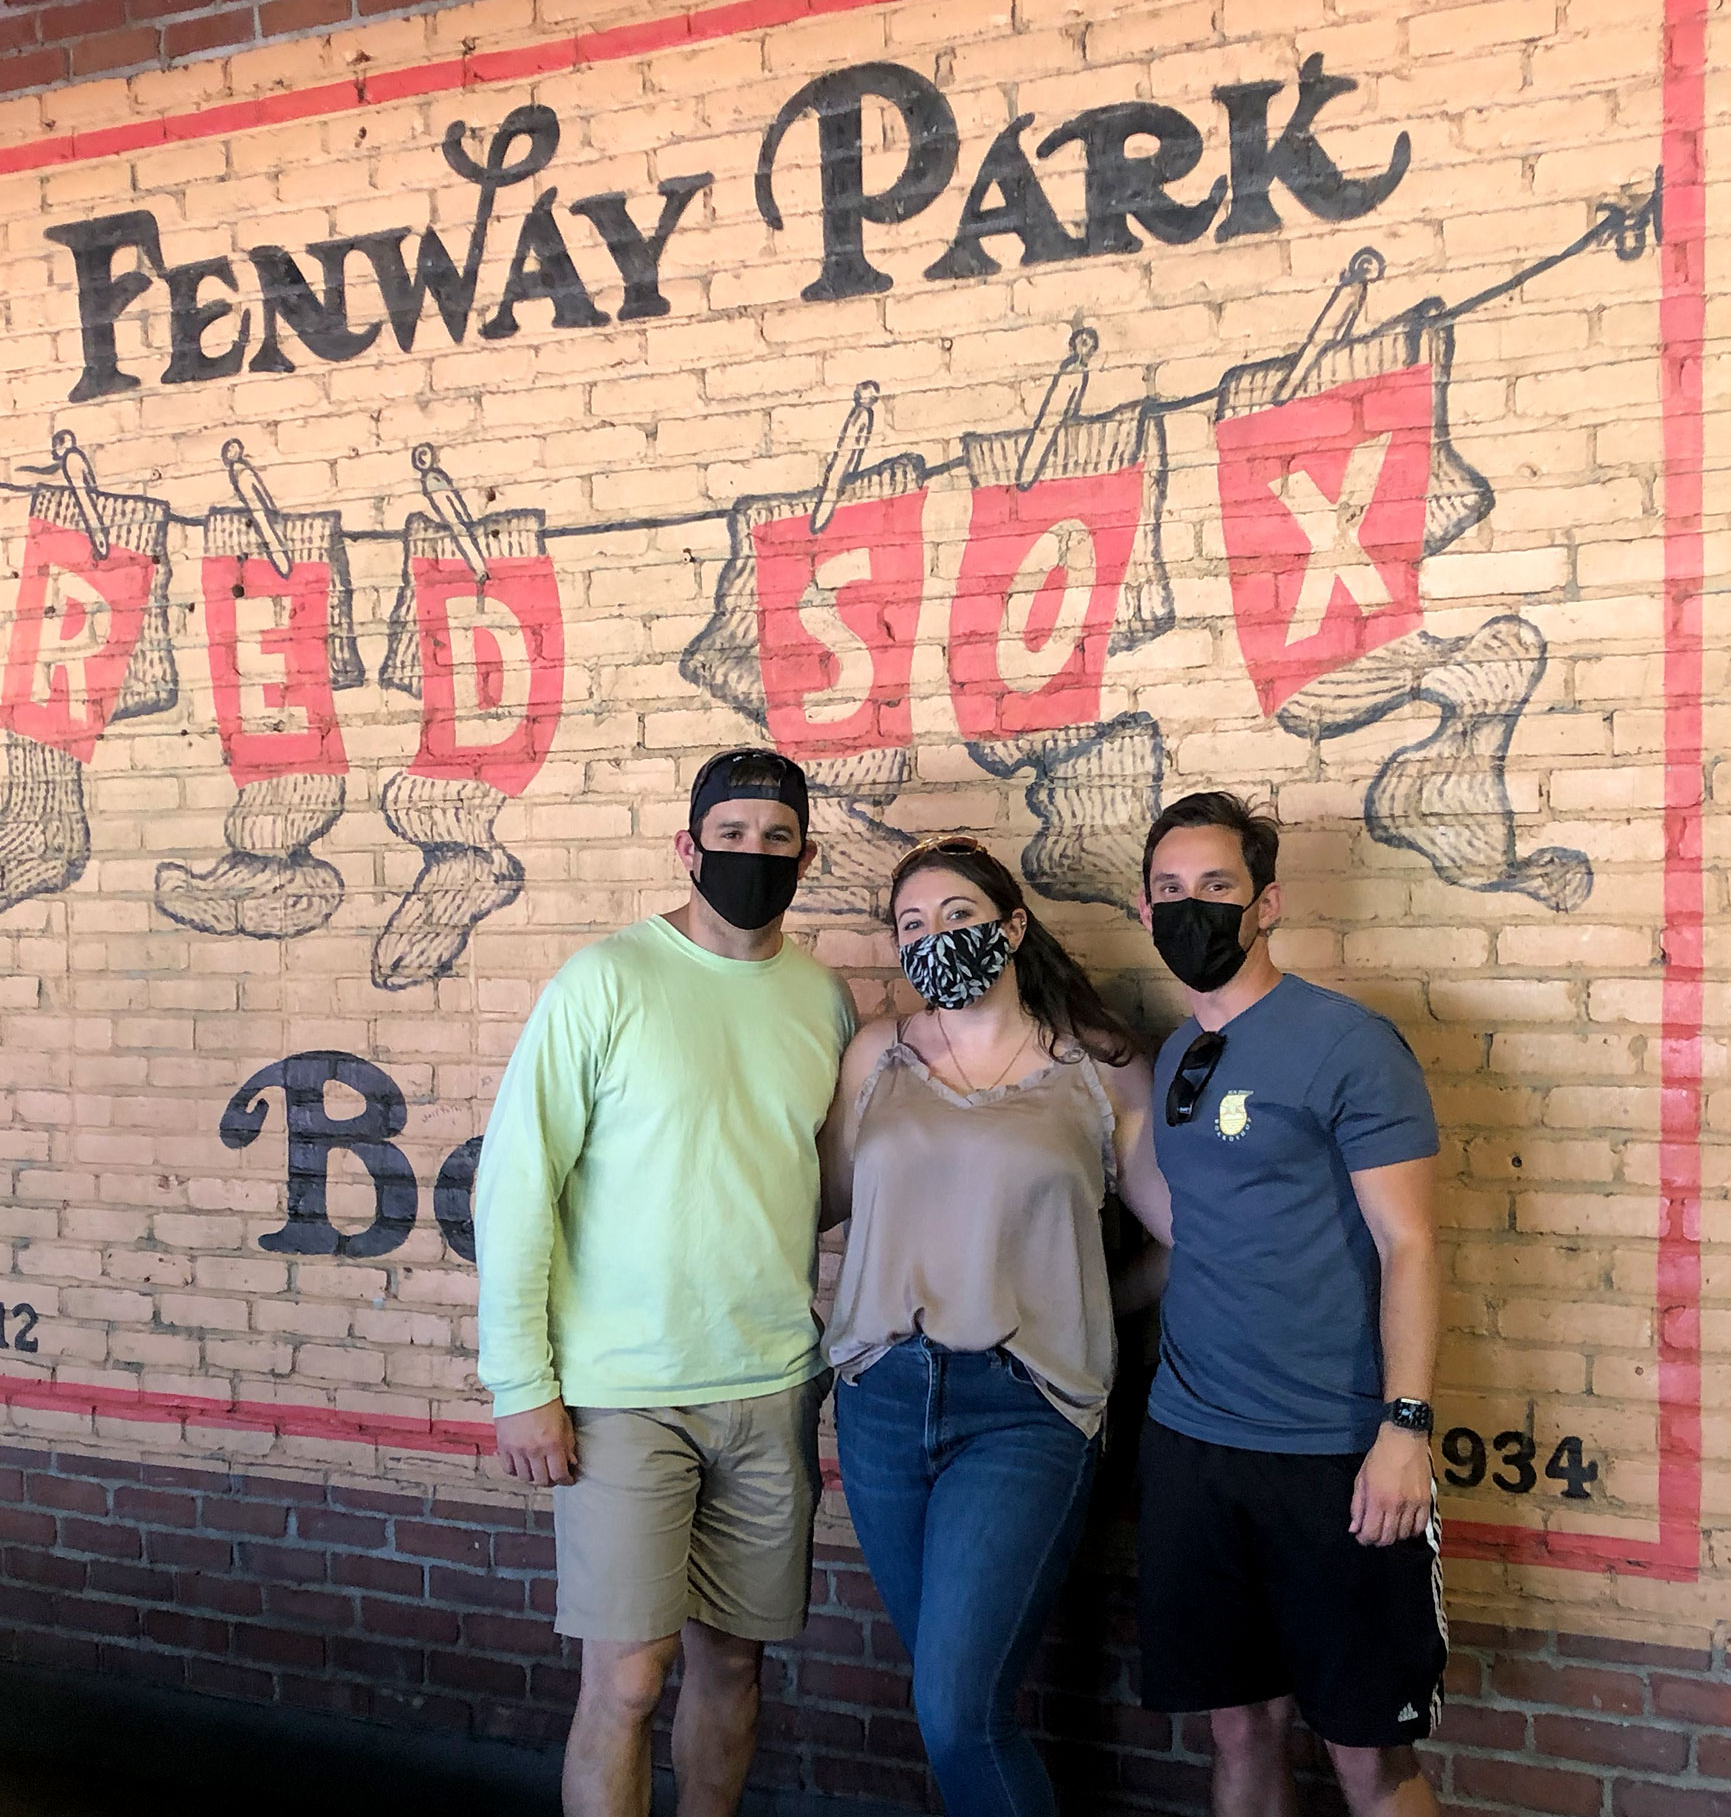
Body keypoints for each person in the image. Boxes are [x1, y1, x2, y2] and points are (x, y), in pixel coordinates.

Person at [474, 747, 858, 1817]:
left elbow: (816, 1185)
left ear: (806, 858)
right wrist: (520, 1384)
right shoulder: (605, 981)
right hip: (622, 1393)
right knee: (628, 1680)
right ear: (688, 847)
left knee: (733, 1666)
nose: (753, 853)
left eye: (777, 839)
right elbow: (516, 1186)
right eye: (731, 835)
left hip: (771, 1384)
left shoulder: (823, 1001)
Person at [818, 836, 1162, 1817]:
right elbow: (819, 1201)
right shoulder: (874, 1055)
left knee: (958, 1712)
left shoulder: (1098, 1065)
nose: (934, 937)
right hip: (881, 1399)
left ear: (1011, 927)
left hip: (1025, 1410)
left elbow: (1185, 1232)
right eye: (912, 925)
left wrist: (1087, 1304)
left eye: (957, 916)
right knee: (949, 1704)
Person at [1120, 791, 1447, 1817]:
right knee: (1238, 1728)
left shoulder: (1347, 1043)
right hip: (1192, 1445)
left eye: (1217, 886)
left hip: (1331, 1454)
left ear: (1267, 903)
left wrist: (1404, 1428)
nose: (1193, 908)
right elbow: (1197, 1233)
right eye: (1171, 889)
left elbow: (1411, 1244)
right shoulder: (1176, 1054)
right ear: (1145, 909)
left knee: (1367, 1756)